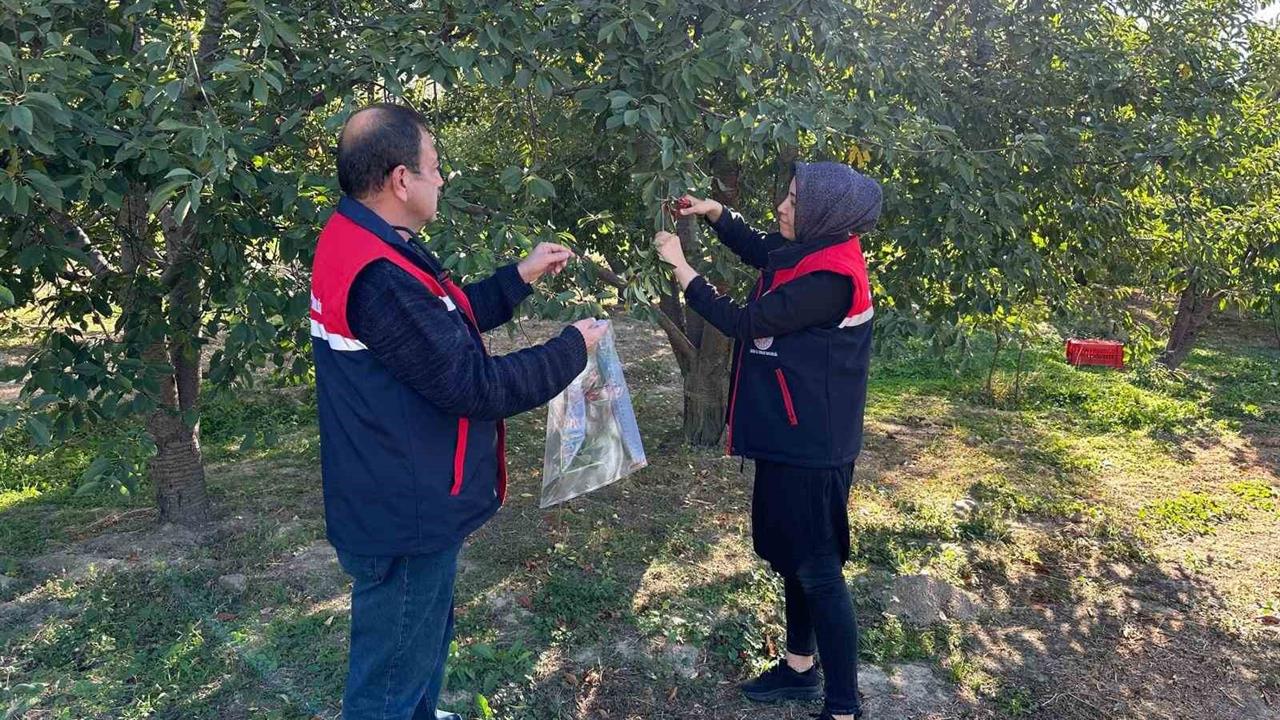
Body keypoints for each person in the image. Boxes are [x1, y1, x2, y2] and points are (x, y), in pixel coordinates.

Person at [309, 102, 607, 720]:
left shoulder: (367, 241)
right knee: (389, 674)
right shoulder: (378, 274)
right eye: (435, 167)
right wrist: (570, 349)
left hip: (398, 488)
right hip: (404, 504)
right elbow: (472, 384)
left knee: (418, 641)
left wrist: (517, 277)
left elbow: (436, 327)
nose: (442, 180)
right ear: (400, 180)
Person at [655, 161, 881, 720]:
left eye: (795, 200)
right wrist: (714, 215)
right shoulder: (812, 251)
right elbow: (763, 250)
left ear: (825, 215)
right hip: (792, 433)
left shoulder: (831, 280)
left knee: (819, 569)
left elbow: (747, 320)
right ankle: (800, 668)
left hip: (813, 447)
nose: (783, 205)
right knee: (794, 558)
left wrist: (682, 270)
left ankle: (844, 706)